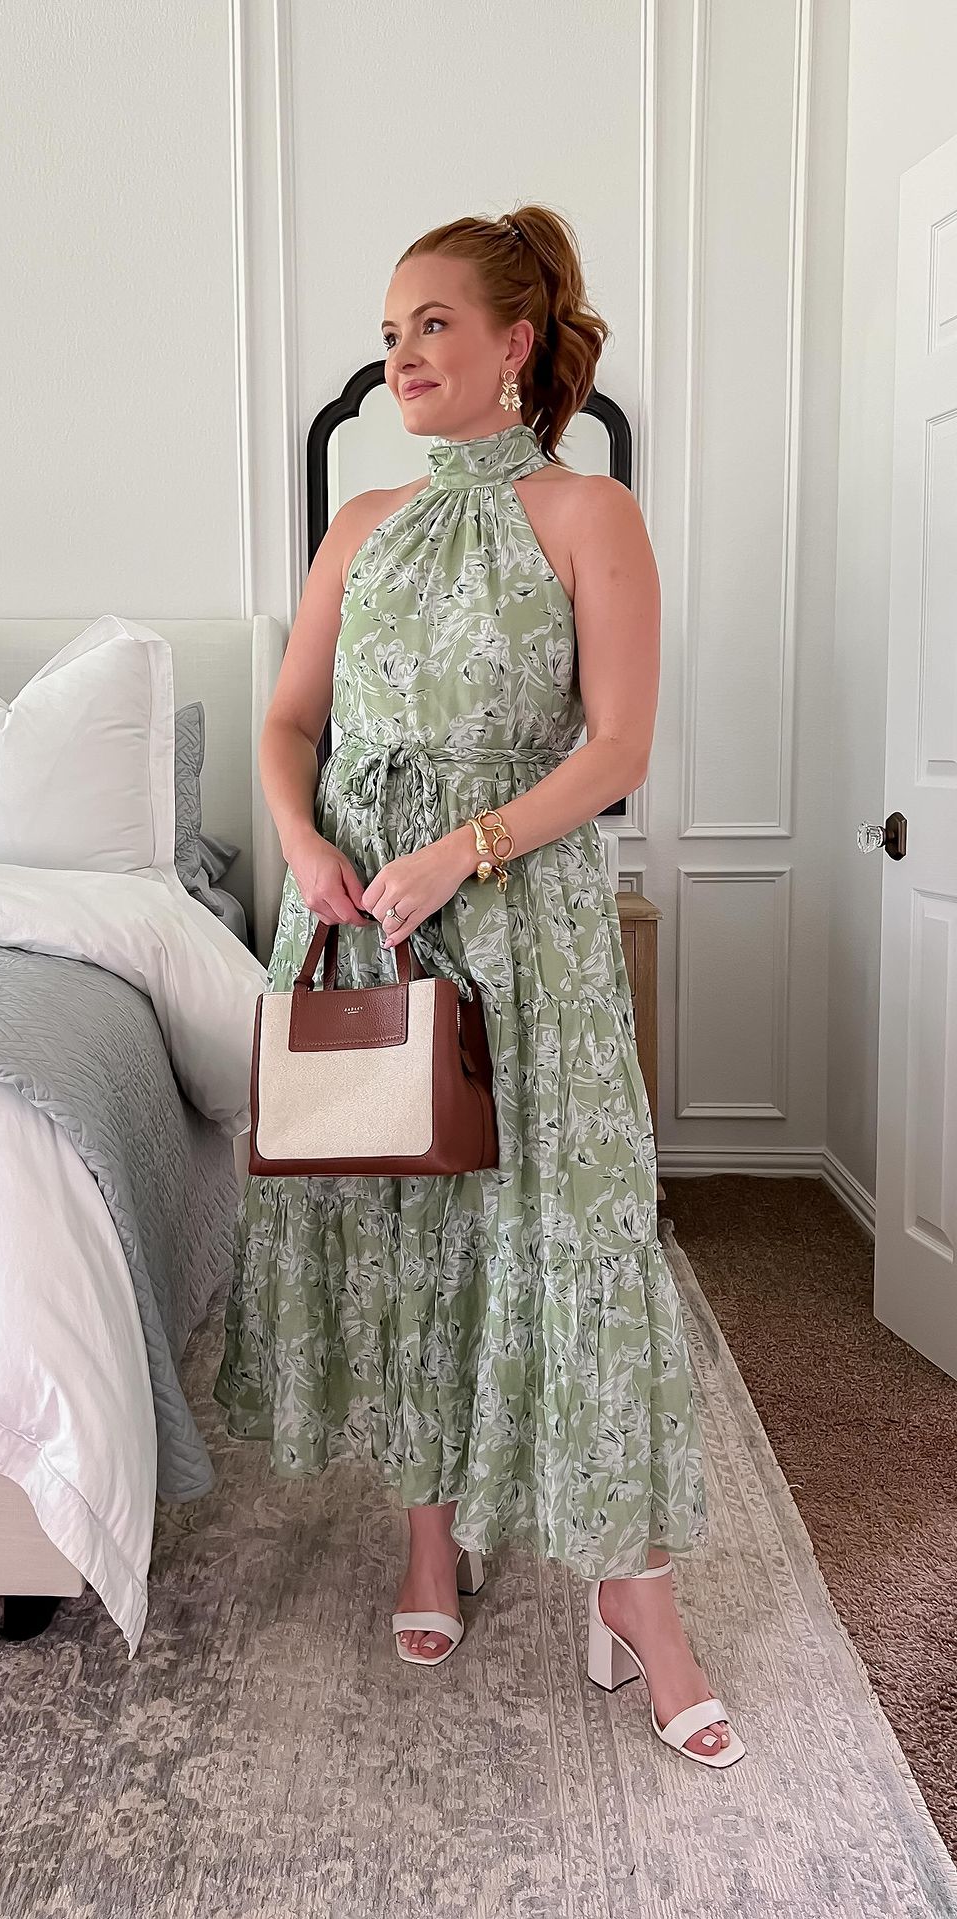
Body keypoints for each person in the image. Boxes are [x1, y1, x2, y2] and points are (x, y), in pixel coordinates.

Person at [214, 204, 744, 1768]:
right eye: (389, 333)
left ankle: (635, 1594)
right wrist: (305, 845)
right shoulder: (361, 523)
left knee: (570, 1229)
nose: (401, 354)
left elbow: (619, 745)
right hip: (365, 918)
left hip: (522, 924)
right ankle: (428, 1539)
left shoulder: (590, 512)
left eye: (432, 323)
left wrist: (468, 849)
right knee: (405, 1224)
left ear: (515, 342)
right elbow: (288, 721)